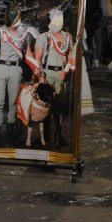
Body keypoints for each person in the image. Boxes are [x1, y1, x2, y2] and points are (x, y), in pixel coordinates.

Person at [0, 3, 36, 143]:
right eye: (10, 14)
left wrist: (37, 68)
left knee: (14, 102)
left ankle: (10, 132)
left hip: (16, 69)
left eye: (15, 14)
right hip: (0, 68)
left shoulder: (25, 34)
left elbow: (28, 55)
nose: (12, 16)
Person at [33, 8, 75, 148]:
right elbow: (37, 58)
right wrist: (41, 77)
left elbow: (71, 56)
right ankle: (45, 137)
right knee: (46, 107)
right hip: (47, 74)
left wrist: (66, 69)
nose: (59, 22)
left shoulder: (68, 37)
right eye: (56, 19)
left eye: (61, 19)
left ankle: (58, 136)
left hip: (61, 74)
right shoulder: (44, 37)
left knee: (60, 107)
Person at [84, 0, 102, 67]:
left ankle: (87, 61)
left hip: (85, 24)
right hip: (92, 24)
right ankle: (91, 61)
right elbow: (99, 12)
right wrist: (95, 20)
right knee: (92, 43)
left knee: (86, 43)